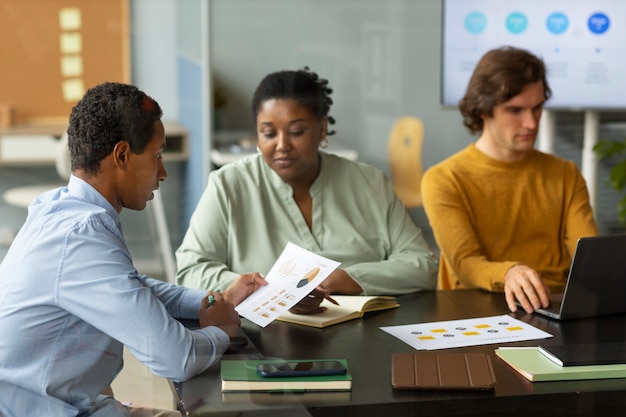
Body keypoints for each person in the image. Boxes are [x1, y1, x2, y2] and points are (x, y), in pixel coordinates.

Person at [0, 82, 267, 417]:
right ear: (122, 156)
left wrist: (207, 302)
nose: (164, 173)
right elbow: (176, 358)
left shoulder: (59, 209)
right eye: (157, 157)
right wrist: (224, 331)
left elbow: (130, 286)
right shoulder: (81, 235)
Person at [176, 67, 438, 313]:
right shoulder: (228, 185)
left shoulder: (370, 183)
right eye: (268, 133)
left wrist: (342, 279)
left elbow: (422, 265)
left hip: (362, 331)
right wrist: (267, 289)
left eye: (297, 131)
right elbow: (191, 270)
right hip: (264, 337)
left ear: (322, 128)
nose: (282, 145)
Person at [421, 46, 598, 314]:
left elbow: (591, 259)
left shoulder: (565, 174)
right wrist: (510, 272)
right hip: (477, 310)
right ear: (483, 110)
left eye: (537, 108)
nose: (530, 123)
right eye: (515, 110)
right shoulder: (445, 179)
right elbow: (466, 264)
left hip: (553, 307)